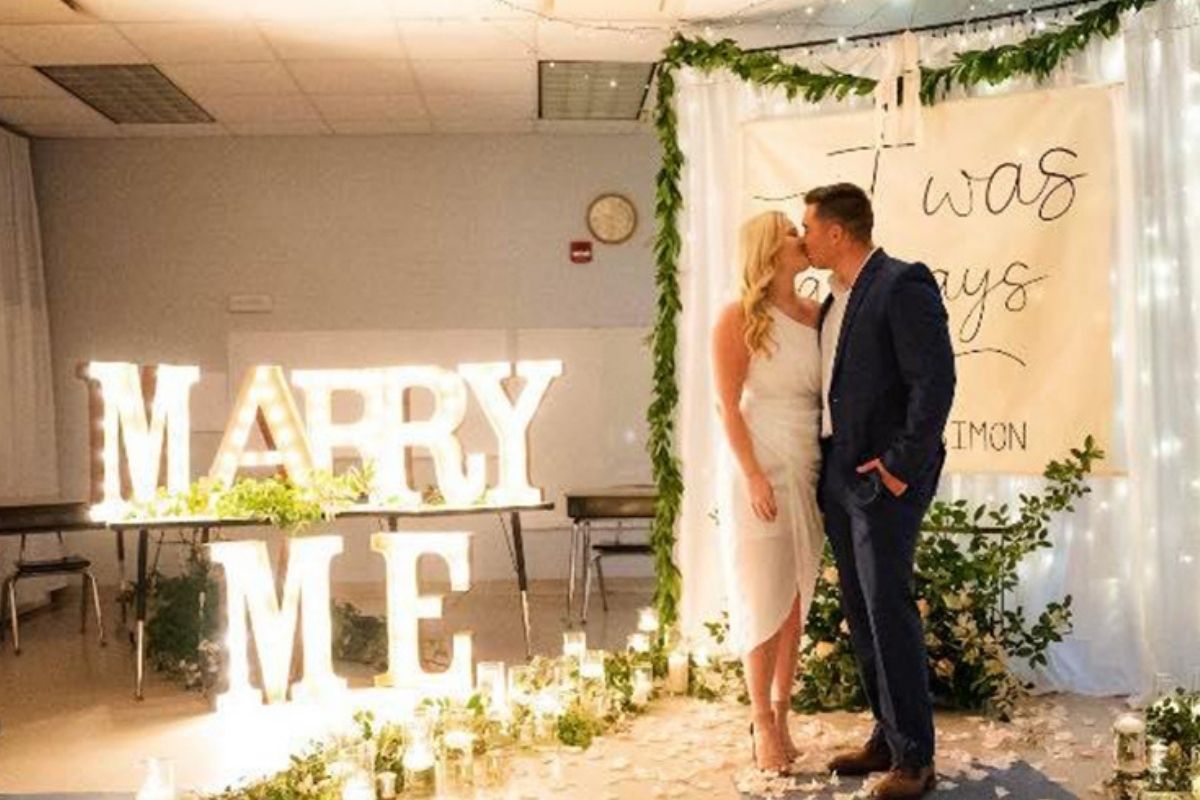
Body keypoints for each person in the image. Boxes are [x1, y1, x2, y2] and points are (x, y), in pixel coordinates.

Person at [803, 183, 955, 800]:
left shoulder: (901, 283)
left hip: (881, 476)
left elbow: (935, 385)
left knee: (887, 609)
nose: (803, 238)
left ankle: (916, 760)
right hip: (839, 470)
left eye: (808, 227)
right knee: (862, 610)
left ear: (837, 232)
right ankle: (887, 740)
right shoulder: (831, 301)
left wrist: (896, 469)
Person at [711, 210, 825, 773]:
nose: (800, 239)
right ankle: (759, 720)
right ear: (766, 249)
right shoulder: (737, 318)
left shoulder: (817, 314)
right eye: (788, 231)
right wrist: (753, 474)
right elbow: (727, 406)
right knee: (763, 594)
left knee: (794, 598)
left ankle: (783, 712)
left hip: (807, 466)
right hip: (759, 467)